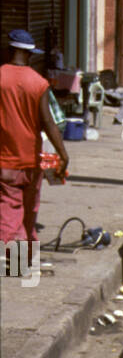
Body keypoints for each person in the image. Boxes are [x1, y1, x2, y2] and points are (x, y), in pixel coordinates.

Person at [1, 28, 69, 259]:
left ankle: (18, 262)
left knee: (10, 212)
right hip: (31, 160)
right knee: (28, 212)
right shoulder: (38, 83)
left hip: (5, 162)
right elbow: (49, 122)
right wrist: (62, 153)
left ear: (9, 50)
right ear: (29, 55)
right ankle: (23, 260)